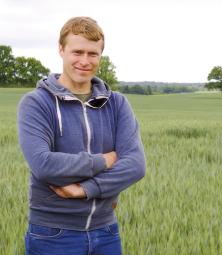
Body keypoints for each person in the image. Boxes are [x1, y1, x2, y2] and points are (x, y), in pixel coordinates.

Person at [18, 16, 146, 255]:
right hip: (53, 234)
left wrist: (85, 188)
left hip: (107, 232)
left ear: (100, 56)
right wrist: (105, 160)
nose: (85, 61)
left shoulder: (116, 103)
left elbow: (136, 165)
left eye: (93, 54)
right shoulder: (37, 103)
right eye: (77, 52)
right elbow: (44, 164)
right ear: (61, 50)